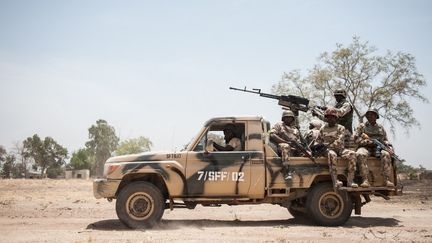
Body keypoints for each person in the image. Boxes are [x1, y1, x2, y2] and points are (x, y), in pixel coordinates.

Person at [316, 108, 358, 188]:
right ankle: (335, 181)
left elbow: (339, 141)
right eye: (328, 117)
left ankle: (350, 181)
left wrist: (327, 145)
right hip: (328, 151)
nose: (330, 118)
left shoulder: (341, 128)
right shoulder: (322, 128)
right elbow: (318, 141)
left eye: (332, 117)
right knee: (332, 155)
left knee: (352, 154)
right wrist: (319, 147)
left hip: (340, 149)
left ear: (336, 118)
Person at [353, 108, 394, 187]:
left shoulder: (380, 128)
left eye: (372, 114)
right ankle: (365, 180)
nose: (369, 116)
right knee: (360, 154)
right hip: (365, 147)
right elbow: (355, 139)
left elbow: (385, 139)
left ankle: (387, 180)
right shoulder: (362, 126)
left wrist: (387, 145)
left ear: (376, 116)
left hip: (378, 148)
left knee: (386, 154)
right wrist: (367, 142)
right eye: (368, 115)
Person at [269, 110, 301, 180]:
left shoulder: (295, 129)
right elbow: (272, 135)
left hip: (293, 148)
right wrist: (285, 141)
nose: (288, 119)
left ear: (293, 119)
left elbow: (298, 141)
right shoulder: (279, 125)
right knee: (285, 146)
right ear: (283, 118)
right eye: (286, 117)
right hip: (282, 146)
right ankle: (286, 170)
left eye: (290, 117)